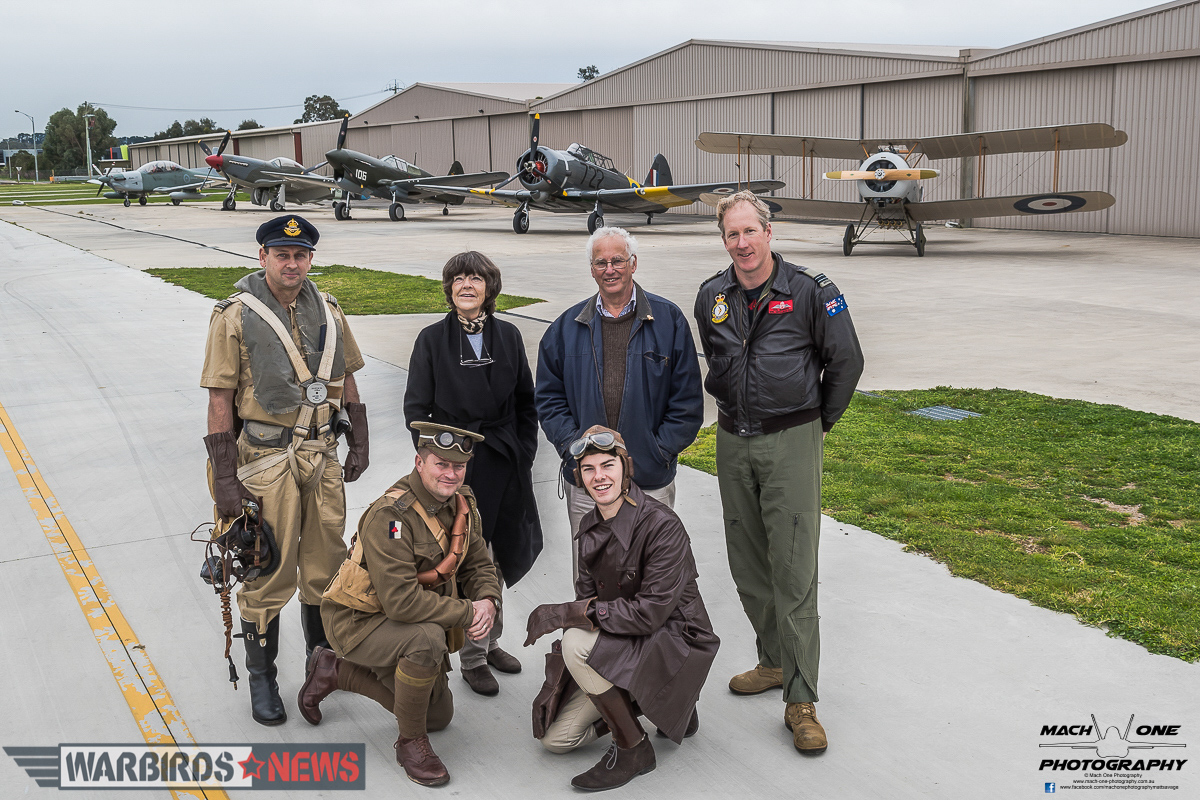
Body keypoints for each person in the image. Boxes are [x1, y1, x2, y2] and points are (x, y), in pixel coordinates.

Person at [693, 191, 864, 755]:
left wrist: (815, 426)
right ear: (724, 240)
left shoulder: (813, 292)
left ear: (769, 232)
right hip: (732, 441)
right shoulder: (712, 295)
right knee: (747, 561)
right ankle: (772, 660)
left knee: (794, 570)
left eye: (750, 231)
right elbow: (717, 360)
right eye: (731, 234)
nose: (742, 243)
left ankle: (801, 700)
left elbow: (846, 362)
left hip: (791, 439)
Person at [200, 214, 369, 726]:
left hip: (321, 456)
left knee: (326, 569)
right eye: (281, 254)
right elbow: (219, 398)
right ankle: (262, 679)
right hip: (265, 462)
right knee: (266, 570)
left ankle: (320, 667)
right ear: (263, 257)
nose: (291, 262)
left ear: (310, 259)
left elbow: (345, 378)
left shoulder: (331, 311)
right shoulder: (233, 315)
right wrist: (225, 478)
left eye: (300, 255)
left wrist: (359, 438)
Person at [298, 422, 502, 787]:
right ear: (419, 462)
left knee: (438, 717)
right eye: (441, 463)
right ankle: (410, 743)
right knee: (425, 641)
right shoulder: (391, 517)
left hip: (409, 620)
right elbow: (401, 603)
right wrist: (468, 612)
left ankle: (333, 670)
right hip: (358, 620)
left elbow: (478, 564)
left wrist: (487, 600)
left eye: (458, 466)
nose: (450, 474)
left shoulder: (462, 505)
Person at [525, 425, 719, 792]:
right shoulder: (588, 525)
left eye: (607, 465)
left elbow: (649, 614)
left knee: (575, 643)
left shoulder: (663, 526)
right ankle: (659, 704)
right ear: (579, 477)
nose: (599, 477)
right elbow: (588, 604)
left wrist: (566, 616)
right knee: (557, 740)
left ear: (625, 467)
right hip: (626, 635)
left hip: (674, 640)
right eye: (588, 469)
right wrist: (563, 669)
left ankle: (634, 747)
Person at [404, 251, 541, 696]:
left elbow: (526, 402)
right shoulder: (430, 340)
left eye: (476, 278)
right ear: (449, 288)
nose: (467, 285)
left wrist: (523, 449)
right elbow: (415, 409)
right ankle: (471, 655)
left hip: (503, 459)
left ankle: (490, 638)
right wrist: (436, 467)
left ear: (489, 287)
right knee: (463, 557)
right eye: (458, 278)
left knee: (497, 555)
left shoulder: (509, 335)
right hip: (455, 465)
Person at [535, 227, 703, 572]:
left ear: (633, 263)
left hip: (649, 479)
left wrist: (658, 452)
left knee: (655, 575)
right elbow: (549, 400)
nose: (609, 269)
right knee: (592, 578)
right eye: (601, 263)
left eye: (617, 260)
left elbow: (686, 401)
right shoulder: (565, 329)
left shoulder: (669, 321)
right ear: (591, 269)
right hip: (587, 483)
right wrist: (574, 448)